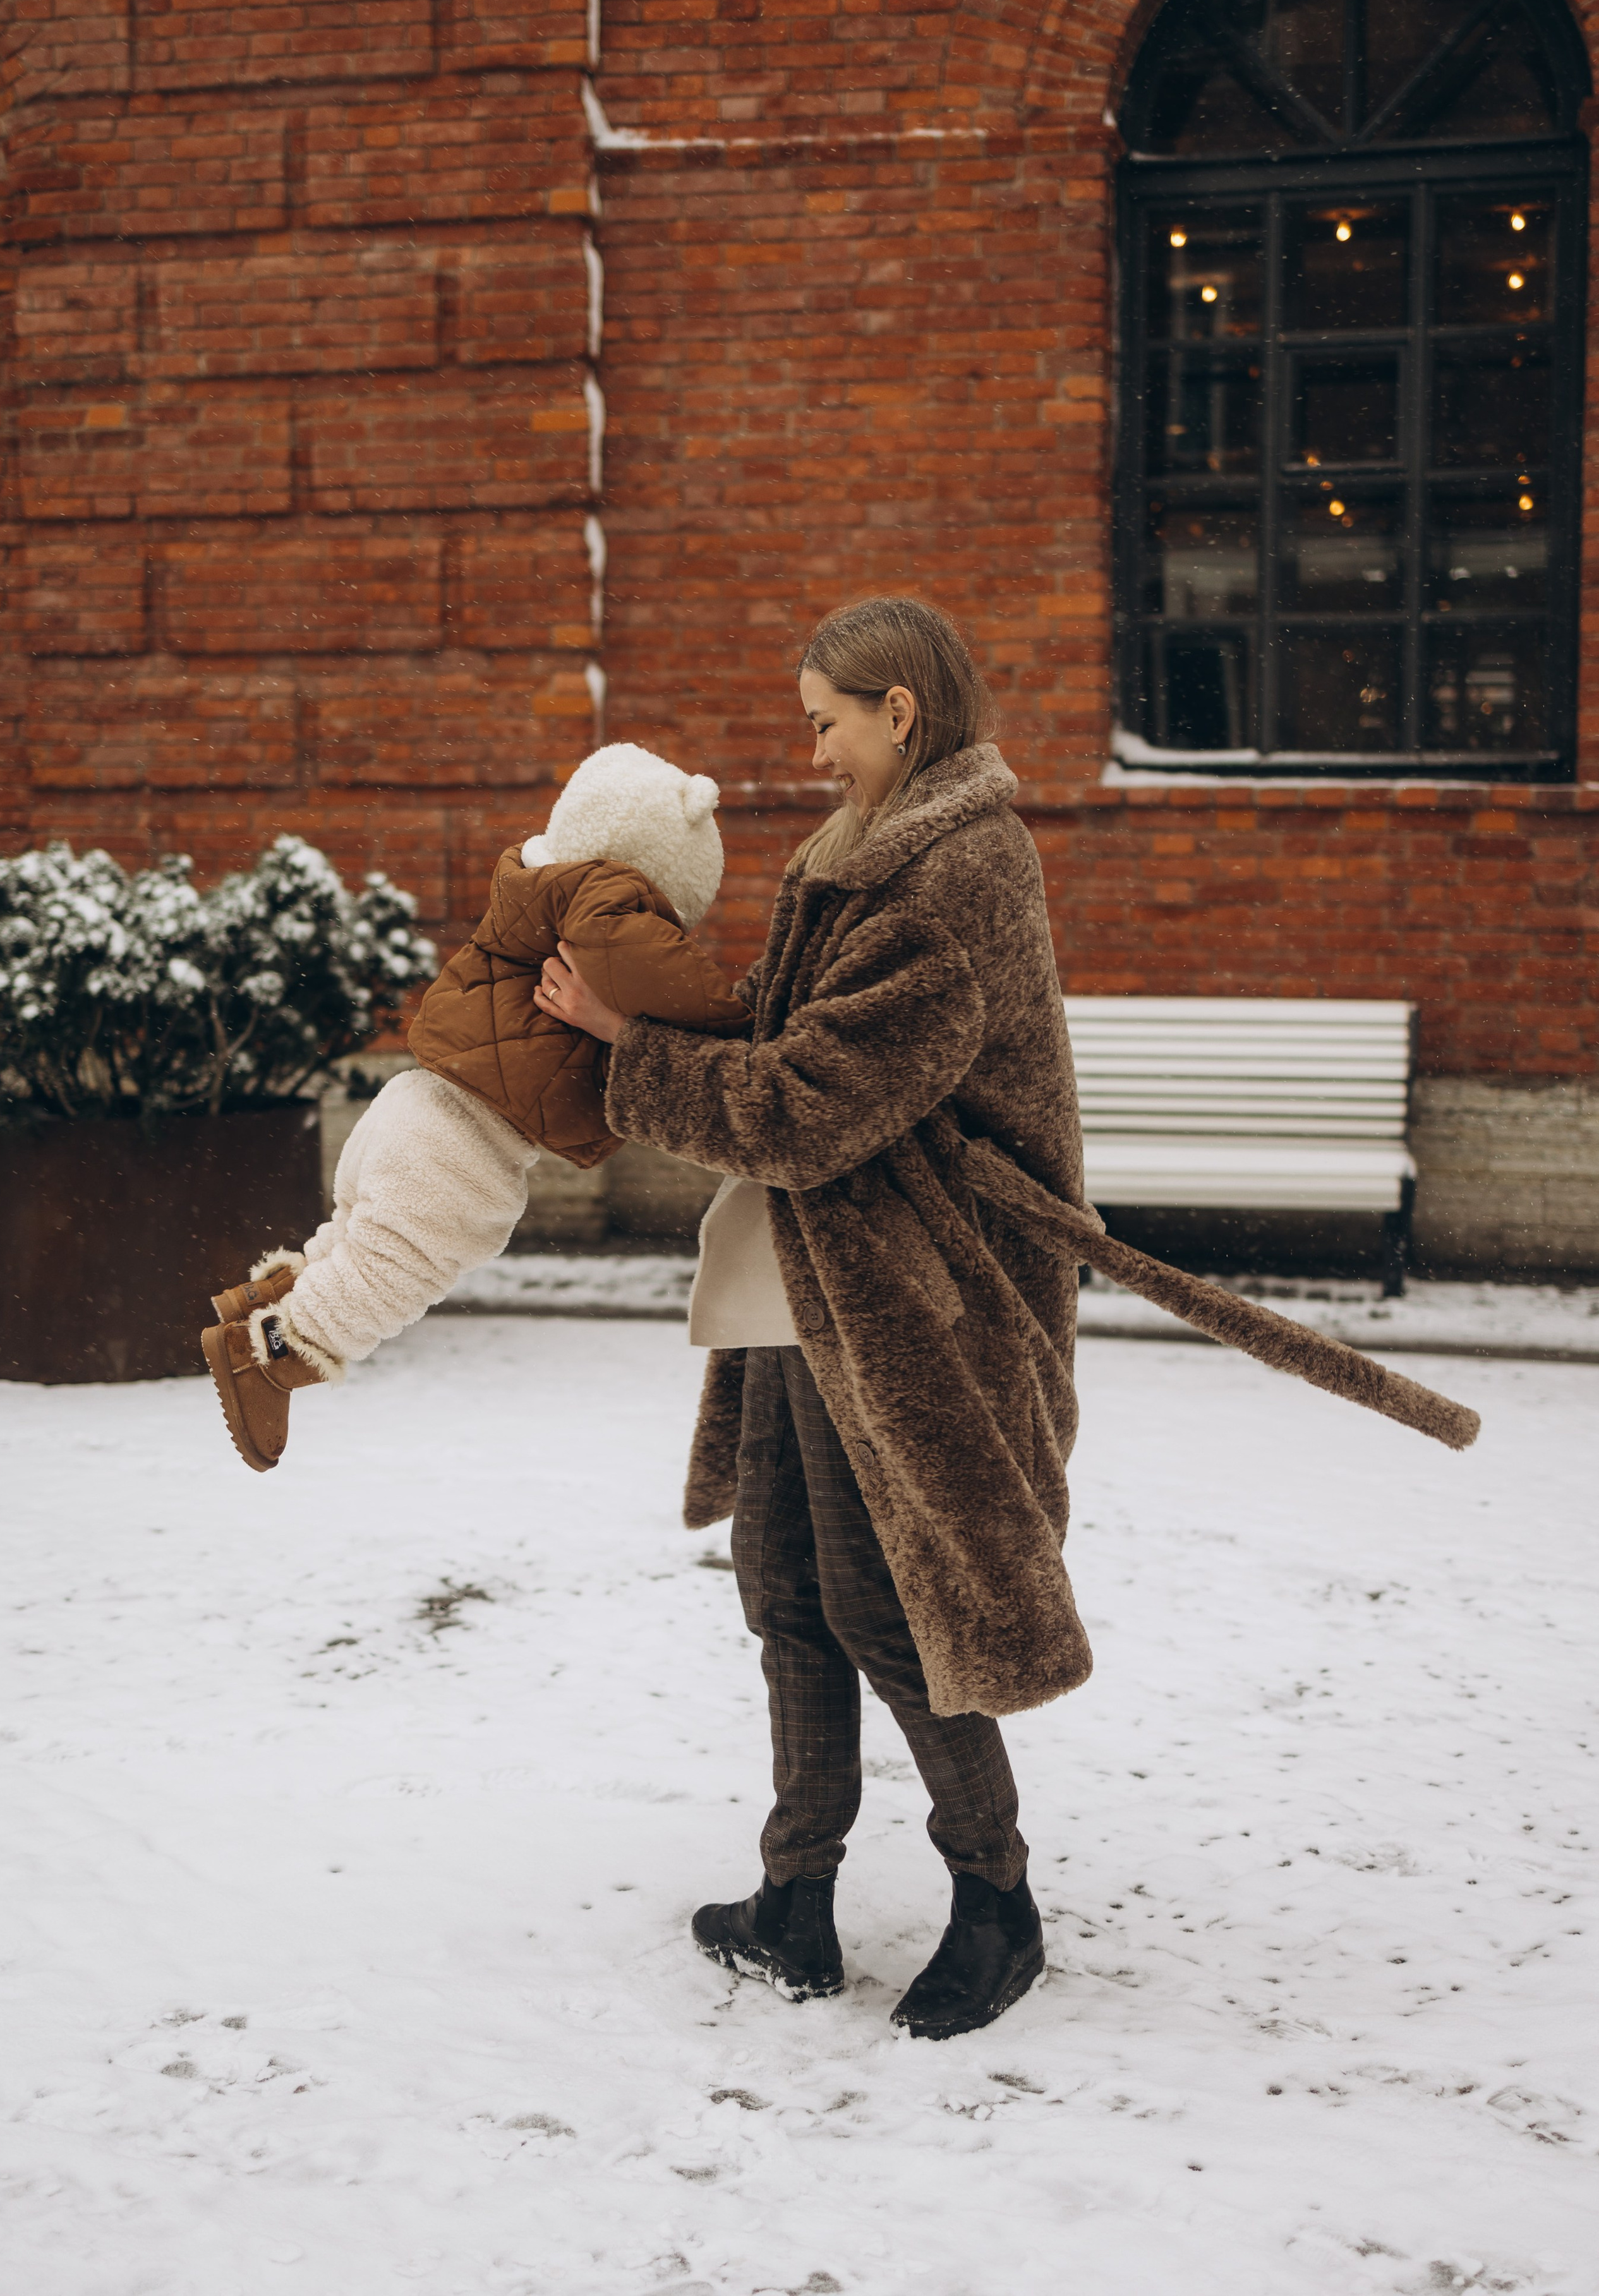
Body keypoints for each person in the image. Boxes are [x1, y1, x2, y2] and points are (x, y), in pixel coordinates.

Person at [536, 597, 1094, 2042]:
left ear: (896, 711)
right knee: (784, 1587)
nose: (811, 748)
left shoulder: (955, 871)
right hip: (811, 1280)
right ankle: (794, 1900)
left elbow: (807, 1102)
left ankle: (996, 1901)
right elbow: (782, 1056)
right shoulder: (855, 857)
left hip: (914, 1299)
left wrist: (624, 1049)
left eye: (824, 720)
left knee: (891, 1605)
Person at [201, 744, 747, 1472]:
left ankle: (269, 1296)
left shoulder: (541, 879)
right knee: (404, 1258)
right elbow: (654, 966)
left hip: (422, 1100)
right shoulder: (609, 899)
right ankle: (273, 1355)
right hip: (461, 1133)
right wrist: (735, 1021)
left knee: (366, 1234)